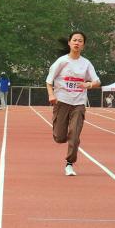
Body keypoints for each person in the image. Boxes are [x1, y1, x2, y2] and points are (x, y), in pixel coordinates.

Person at [46, 31, 101, 177]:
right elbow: (49, 81)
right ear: (69, 43)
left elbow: (97, 81)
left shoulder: (86, 63)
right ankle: (65, 136)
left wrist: (89, 85)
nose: (77, 43)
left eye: (80, 41)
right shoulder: (62, 61)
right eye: (75, 40)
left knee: (74, 135)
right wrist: (51, 95)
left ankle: (69, 164)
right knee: (59, 137)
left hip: (79, 103)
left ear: (83, 45)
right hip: (62, 101)